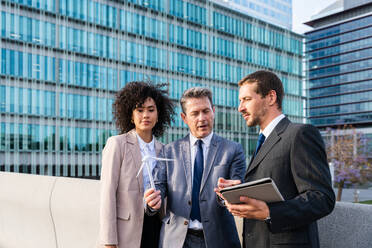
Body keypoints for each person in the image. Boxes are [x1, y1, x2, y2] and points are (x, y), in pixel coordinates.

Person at [216, 70, 336, 248]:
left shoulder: (300, 134)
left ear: (271, 97)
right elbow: (276, 185)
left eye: (246, 99)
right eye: (240, 101)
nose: (240, 107)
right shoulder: (264, 141)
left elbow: (322, 198)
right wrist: (241, 189)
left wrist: (270, 212)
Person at [146, 87, 246, 248]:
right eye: (195, 113)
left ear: (213, 111)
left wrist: (227, 194)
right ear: (184, 118)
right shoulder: (169, 151)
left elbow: (238, 186)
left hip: (219, 239)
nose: (202, 118)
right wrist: (152, 201)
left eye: (206, 111)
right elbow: (158, 186)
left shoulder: (233, 150)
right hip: (176, 240)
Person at [99, 81, 174, 248]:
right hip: (125, 231)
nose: (145, 115)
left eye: (150, 110)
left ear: (158, 114)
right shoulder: (117, 144)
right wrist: (108, 240)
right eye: (139, 110)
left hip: (155, 227)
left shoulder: (164, 150)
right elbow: (107, 193)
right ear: (131, 115)